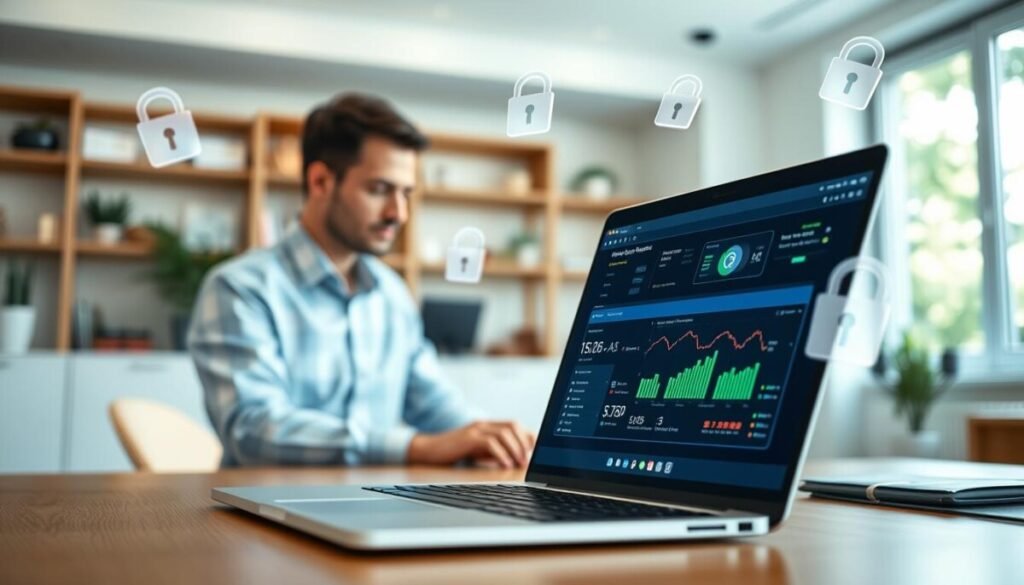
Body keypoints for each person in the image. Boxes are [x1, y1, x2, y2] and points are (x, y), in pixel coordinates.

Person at [188, 93, 534, 468]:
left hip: (378, 508)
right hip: (267, 509)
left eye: (406, 193)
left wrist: (491, 440)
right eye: (379, 190)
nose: (398, 213)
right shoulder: (240, 288)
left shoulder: (392, 295)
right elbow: (252, 429)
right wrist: (413, 448)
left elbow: (433, 403)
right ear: (320, 181)